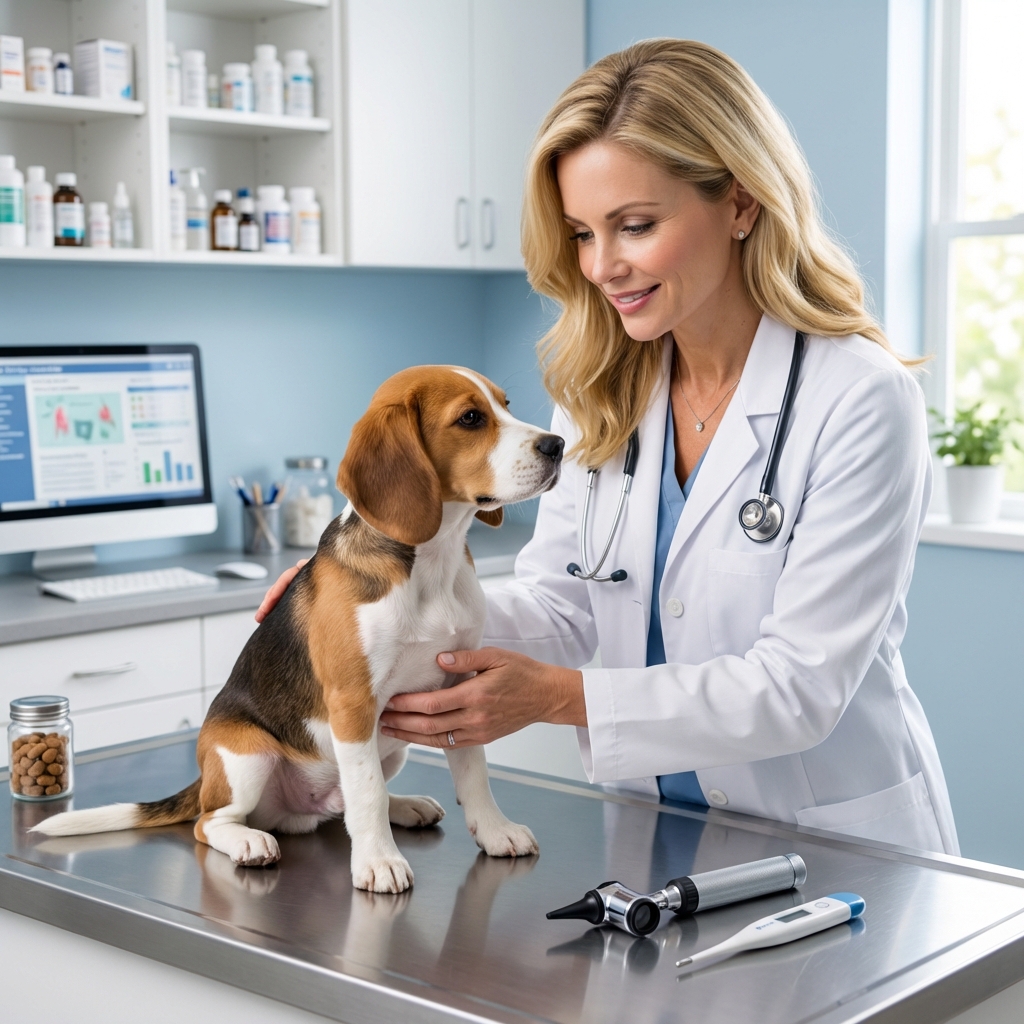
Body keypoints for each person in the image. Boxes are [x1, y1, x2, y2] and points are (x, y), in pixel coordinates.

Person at [260, 39, 958, 855]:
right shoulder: (598, 390)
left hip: (828, 843)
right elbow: (563, 604)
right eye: (582, 234)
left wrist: (559, 699)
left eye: (634, 226)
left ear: (741, 203)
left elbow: (799, 687)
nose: (602, 267)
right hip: (652, 828)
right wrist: (376, 623)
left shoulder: (861, 398)